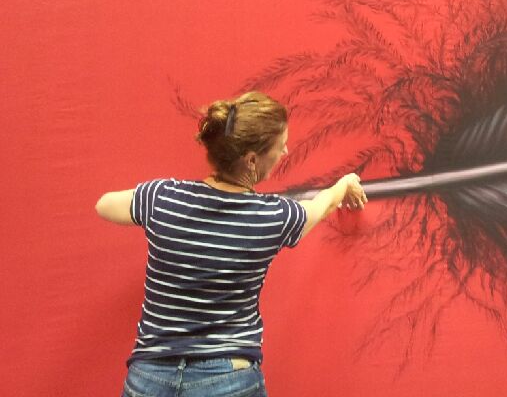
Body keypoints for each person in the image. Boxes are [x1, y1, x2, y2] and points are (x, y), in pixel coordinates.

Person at [95, 91, 366, 397]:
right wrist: (344, 185)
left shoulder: (162, 197)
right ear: (251, 160)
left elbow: (104, 205)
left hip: (149, 378)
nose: (285, 151)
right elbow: (318, 208)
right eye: (280, 146)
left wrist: (155, 206)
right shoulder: (272, 217)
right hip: (228, 381)